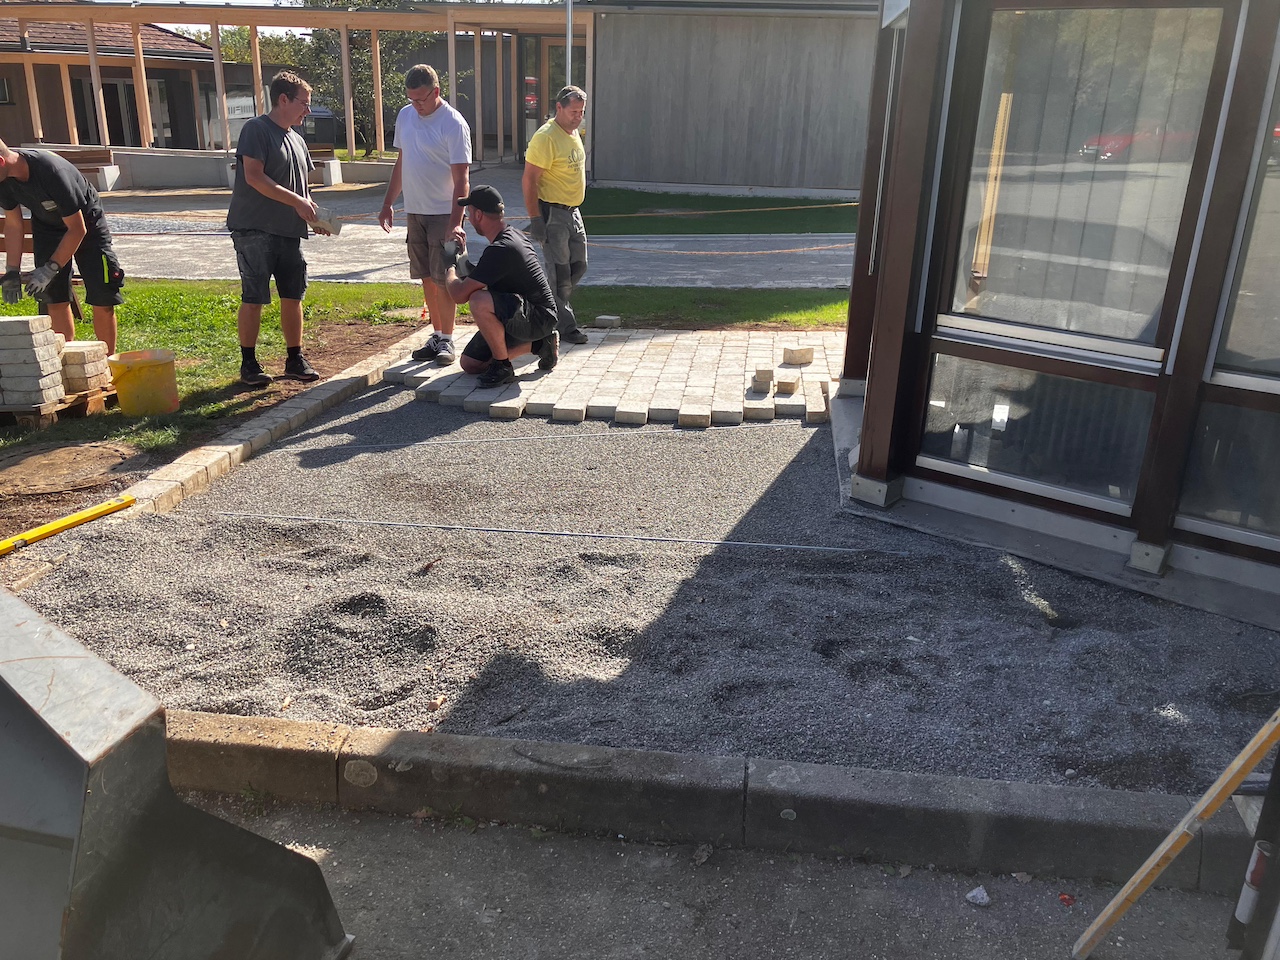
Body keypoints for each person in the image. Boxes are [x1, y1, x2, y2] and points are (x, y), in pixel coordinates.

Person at [227, 70, 328, 386]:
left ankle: (295, 359)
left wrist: (315, 216)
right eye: (303, 103)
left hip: (289, 231)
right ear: (283, 99)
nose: (307, 111)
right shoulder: (256, 130)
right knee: (254, 295)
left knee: (293, 295)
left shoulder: (297, 139)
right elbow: (254, 177)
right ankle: (249, 363)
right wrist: (298, 202)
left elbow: (303, 190)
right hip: (254, 229)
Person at [379, 64, 471, 366]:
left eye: (421, 99)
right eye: (411, 99)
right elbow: (402, 162)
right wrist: (388, 202)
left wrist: (455, 223)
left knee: (445, 278)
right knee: (426, 278)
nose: (416, 105)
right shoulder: (406, 116)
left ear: (436, 92)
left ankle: (447, 339)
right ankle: (436, 334)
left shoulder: (453, 123)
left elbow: (462, 179)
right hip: (415, 212)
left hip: (444, 213)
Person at [0, 139, 124, 354]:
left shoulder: (51, 172)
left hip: (87, 223)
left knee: (102, 295)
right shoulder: (3, 181)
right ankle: (66, 361)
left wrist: (50, 269)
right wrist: (12, 271)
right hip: (47, 225)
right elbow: (13, 224)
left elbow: (77, 229)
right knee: (53, 296)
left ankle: (107, 362)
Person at [447, 185, 559, 389]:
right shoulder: (509, 236)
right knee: (470, 364)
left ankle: (502, 366)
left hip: (539, 317)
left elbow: (459, 295)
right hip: (518, 313)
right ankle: (541, 344)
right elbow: (481, 275)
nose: (469, 219)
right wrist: (462, 257)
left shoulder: (502, 249)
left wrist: (449, 266)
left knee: (478, 300)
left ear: (479, 215)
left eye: (469, 213)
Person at [522, 85, 590, 345]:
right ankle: (565, 326)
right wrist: (535, 219)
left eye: (581, 112)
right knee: (560, 274)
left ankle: (541, 307)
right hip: (553, 214)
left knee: (579, 266)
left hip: (573, 212)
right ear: (559, 108)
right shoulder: (546, 137)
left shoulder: (572, 134)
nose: (578, 117)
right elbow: (529, 180)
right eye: (574, 112)